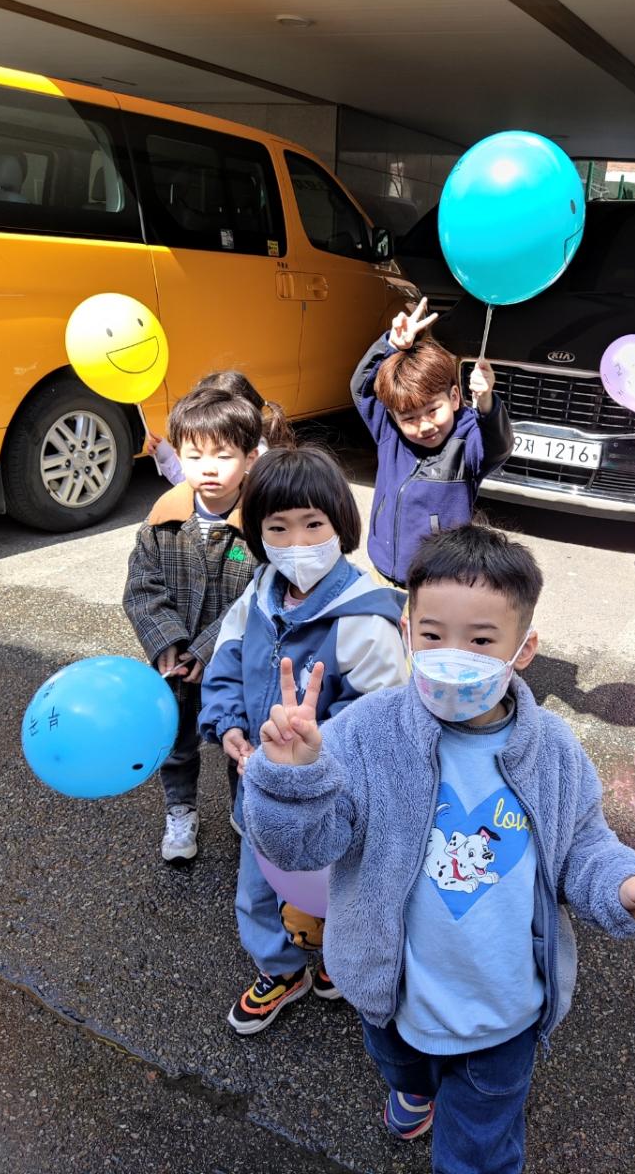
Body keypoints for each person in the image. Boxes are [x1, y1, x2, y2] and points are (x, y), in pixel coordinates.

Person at [241, 523, 635, 1173]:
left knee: (480, 1149)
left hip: (503, 1012)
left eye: (482, 640)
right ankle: (413, 1089)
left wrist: (622, 884)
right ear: (406, 631)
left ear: (524, 648)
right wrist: (292, 779)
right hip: (392, 995)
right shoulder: (363, 734)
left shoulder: (554, 751)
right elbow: (304, 848)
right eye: (432, 635)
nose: (452, 655)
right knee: (401, 1065)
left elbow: (582, 844)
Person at [199, 444, 408, 1035]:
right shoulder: (259, 593)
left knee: (341, 882)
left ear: (340, 523)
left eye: (313, 524)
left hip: (331, 794)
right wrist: (229, 725)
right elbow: (226, 662)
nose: (297, 542)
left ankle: (338, 958)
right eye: (278, 528)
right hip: (259, 784)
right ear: (257, 535)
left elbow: (379, 721)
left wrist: (312, 754)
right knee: (257, 884)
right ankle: (281, 968)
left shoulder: (363, 618)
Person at [124, 387, 261, 863]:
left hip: (237, 666)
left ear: (250, 457)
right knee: (177, 744)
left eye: (223, 455)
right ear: (178, 455)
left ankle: (246, 808)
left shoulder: (262, 525)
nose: (208, 468)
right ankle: (180, 809)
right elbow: (141, 588)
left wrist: (207, 649)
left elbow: (257, 598)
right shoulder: (162, 521)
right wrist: (167, 643)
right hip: (175, 667)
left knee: (240, 741)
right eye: (194, 455)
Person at [351, 297, 514, 586]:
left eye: (433, 410)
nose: (424, 425)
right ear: (393, 416)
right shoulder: (389, 432)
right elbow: (361, 386)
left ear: (454, 397)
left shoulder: (467, 440)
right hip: (381, 570)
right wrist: (390, 345)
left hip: (435, 582)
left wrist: (486, 401)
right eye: (409, 418)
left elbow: (498, 446)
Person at [146, 370, 293, 484]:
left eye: (223, 457)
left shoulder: (258, 462)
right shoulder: (240, 446)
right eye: (195, 457)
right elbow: (189, 482)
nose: (208, 471)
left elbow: (187, 482)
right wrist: (166, 454)